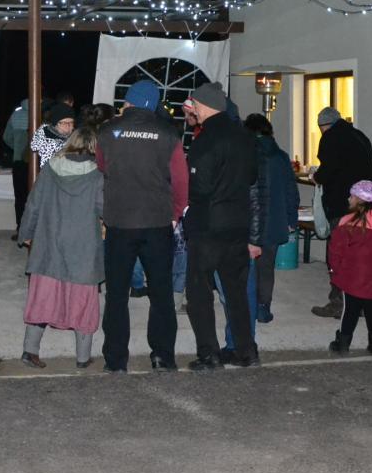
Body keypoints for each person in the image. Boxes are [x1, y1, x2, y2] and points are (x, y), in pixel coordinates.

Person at [95, 80, 187, 373]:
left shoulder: (108, 131)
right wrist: (175, 214)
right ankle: (162, 356)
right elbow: (181, 180)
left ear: (128, 102)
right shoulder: (168, 133)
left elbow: (102, 166)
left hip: (120, 222)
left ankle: (115, 360)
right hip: (157, 222)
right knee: (161, 293)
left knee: (117, 294)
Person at [182, 82, 261, 371]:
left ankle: (209, 354)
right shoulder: (245, 137)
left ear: (203, 106)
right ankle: (246, 350)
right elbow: (251, 178)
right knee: (236, 291)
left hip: (208, 226)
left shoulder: (205, 140)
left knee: (199, 292)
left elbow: (199, 187)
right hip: (237, 224)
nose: (194, 111)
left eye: (195, 106)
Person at [18, 126, 105, 369]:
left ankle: (30, 351)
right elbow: (105, 209)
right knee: (83, 301)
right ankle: (83, 358)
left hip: (49, 244)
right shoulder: (98, 175)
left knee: (43, 297)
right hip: (83, 248)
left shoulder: (49, 170)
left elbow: (33, 205)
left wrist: (26, 234)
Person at [311, 107, 372, 319]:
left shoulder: (331, 138)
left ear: (324, 126)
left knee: (339, 255)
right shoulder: (359, 136)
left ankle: (338, 303)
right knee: (360, 254)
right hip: (367, 205)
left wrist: (317, 177)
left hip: (343, 204)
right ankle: (360, 304)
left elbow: (328, 170)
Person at [327, 180, 372, 355]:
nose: (348, 198)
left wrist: (336, 270)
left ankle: (343, 343)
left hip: (352, 276)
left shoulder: (348, 222)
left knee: (350, 311)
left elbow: (336, 250)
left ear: (360, 200)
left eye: (352, 196)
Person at [244, 113, 300, 323]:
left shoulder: (245, 154)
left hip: (249, 220)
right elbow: (291, 191)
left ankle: (247, 307)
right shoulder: (281, 157)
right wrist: (291, 220)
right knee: (266, 268)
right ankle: (263, 308)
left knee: (246, 268)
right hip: (275, 220)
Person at [2, 98, 31, 239]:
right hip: (38, 163)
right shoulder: (43, 113)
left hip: (19, 161)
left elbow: (6, 137)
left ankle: (21, 229)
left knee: (20, 198)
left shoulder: (16, 114)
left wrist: (18, 148)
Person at [30, 102, 76, 167]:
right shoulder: (45, 141)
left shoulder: (76, 138)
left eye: (71, 122)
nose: (68, 126)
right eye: (64, 123)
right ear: (55, 124)